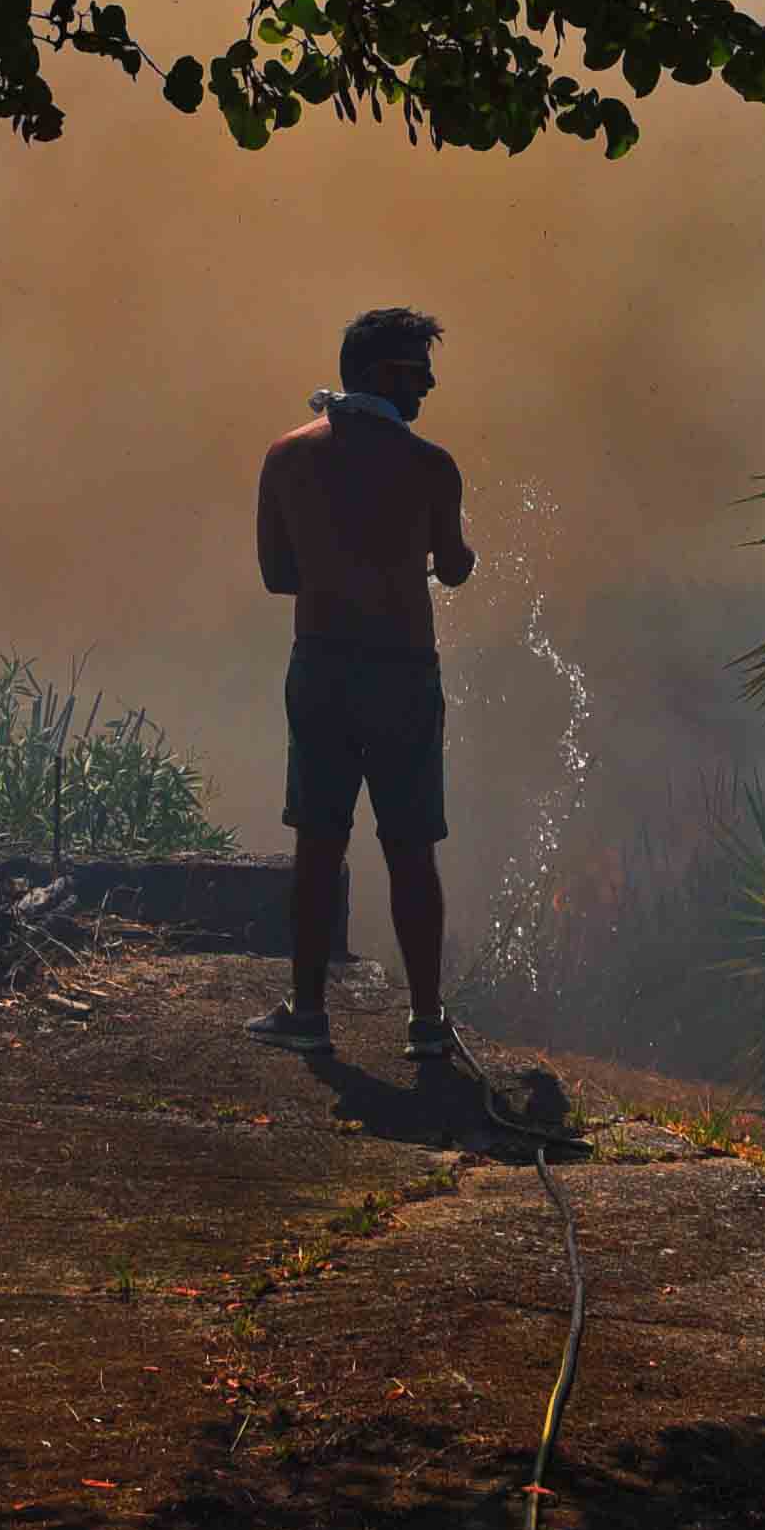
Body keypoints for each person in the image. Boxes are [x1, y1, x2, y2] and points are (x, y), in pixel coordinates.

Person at [245, 305, 476, 1063]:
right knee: (412, 849)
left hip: (322, 665)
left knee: (318, 843)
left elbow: (279, 576)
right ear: (381, 375)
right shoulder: (432, 466)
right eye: (418, 371)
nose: (430, 385)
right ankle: (428, 1022)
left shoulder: (286, 456)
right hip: (405, 672)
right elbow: (453, 565)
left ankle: (308, 1012)